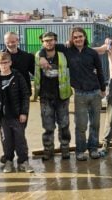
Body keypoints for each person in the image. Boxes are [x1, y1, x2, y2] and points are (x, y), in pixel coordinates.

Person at [39, 27, 106, 161]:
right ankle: (80, 151)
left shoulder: (92, 53)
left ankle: (93, 149)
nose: (78, 39)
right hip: (80, 94)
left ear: (85, 37)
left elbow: (99, 71)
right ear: (72, 39)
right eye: (75, 37)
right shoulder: (67, 50)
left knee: (95, 124)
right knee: (81, 125)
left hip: (95, 92)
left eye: (80, 36)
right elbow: (48, 46)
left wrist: (103, 89)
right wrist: (41, 56)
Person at [0, 52, 33, 172]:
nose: (4, 65)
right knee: (6, 140)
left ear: (10, 62)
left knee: (20, 139)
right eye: (1, 63)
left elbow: (25, 94)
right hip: (3, 117)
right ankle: (8, 161)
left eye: (6, 62)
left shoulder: (18, 77)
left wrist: (24, 112)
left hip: (17, 116)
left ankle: (23, 162)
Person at [0, 31, 35, 164]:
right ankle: (8, 155)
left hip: (21, 99)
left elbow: (36, 73)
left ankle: (21, 156)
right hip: (4, 100)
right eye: (8, 41)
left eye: (13, 41)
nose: (11, 44)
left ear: (18, 40)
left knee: (20, 129)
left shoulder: (27, 57)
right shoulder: (0, 57)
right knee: (6, 131)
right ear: (5, 42)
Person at [34, 32, 72, 160]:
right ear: (42, 42)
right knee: (48, 127)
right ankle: (48, 151)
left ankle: (65, 150)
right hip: (45, 97)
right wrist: (41, 55)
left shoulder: (63, 54)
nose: (49, 43)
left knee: (64, 125)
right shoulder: (38, 56)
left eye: (51, 40)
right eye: (46, 41)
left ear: (55, 41)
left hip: (62, 96)